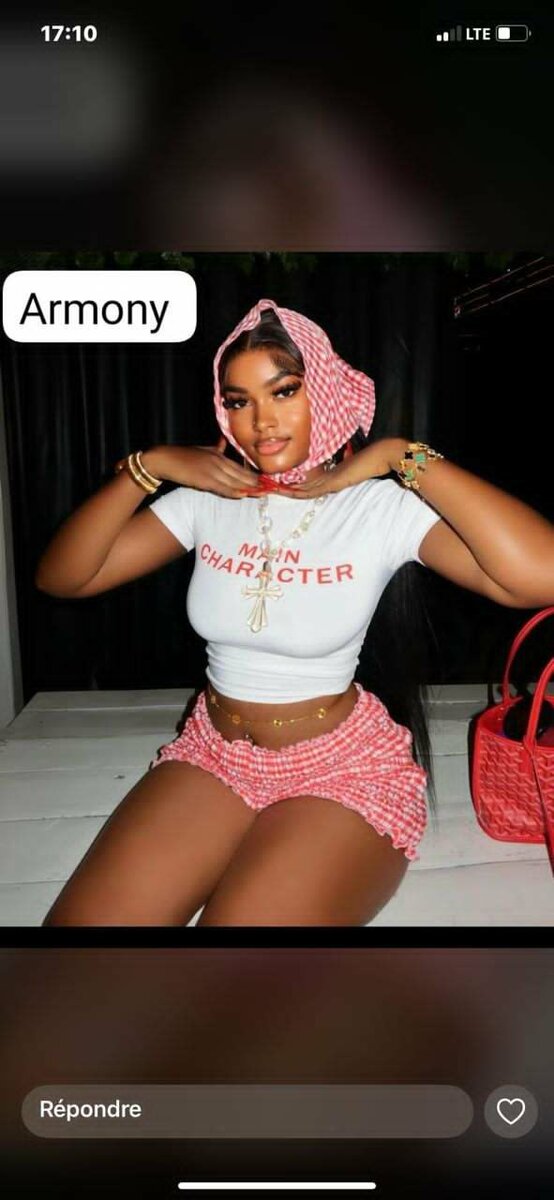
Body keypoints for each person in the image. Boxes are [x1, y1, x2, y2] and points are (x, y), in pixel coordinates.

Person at [37, 299, 554, 927]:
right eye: (238, 401)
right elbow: (66, 577)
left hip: (340, 769)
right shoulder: (211, 497)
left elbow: (540, 575)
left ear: (326, 390)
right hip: (214, 753)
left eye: (284, 391)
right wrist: (150, 468)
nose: (261, 421)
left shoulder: (376, 509)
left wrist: (399, 455)